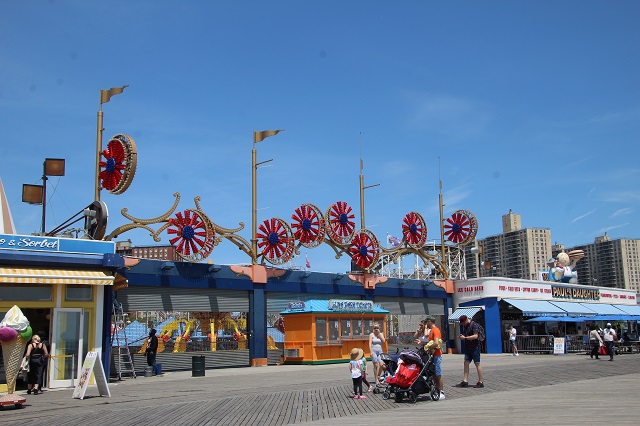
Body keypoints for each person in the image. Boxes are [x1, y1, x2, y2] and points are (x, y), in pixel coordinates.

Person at [457, 315, 483, 388]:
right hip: (468, 348)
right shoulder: (466, 326)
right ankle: (465, 381)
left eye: (463, 323)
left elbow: (475, 336)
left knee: (477, 363)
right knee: (466, 362)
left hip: (475, 348)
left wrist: (465, 338)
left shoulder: (474, 325)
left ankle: (480, 382)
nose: (462, 324)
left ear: (466, 320)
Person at [423, 316, 445, 399]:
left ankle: (442, 391)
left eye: (426, 322)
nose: (426, 324)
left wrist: (429, 348)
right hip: (432, 355)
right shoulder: (431, 331)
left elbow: (436, 343)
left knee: (438, 373)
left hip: (437, 354)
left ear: (430, 322)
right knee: (434, 374)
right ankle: (437, 390)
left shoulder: (436, 330)